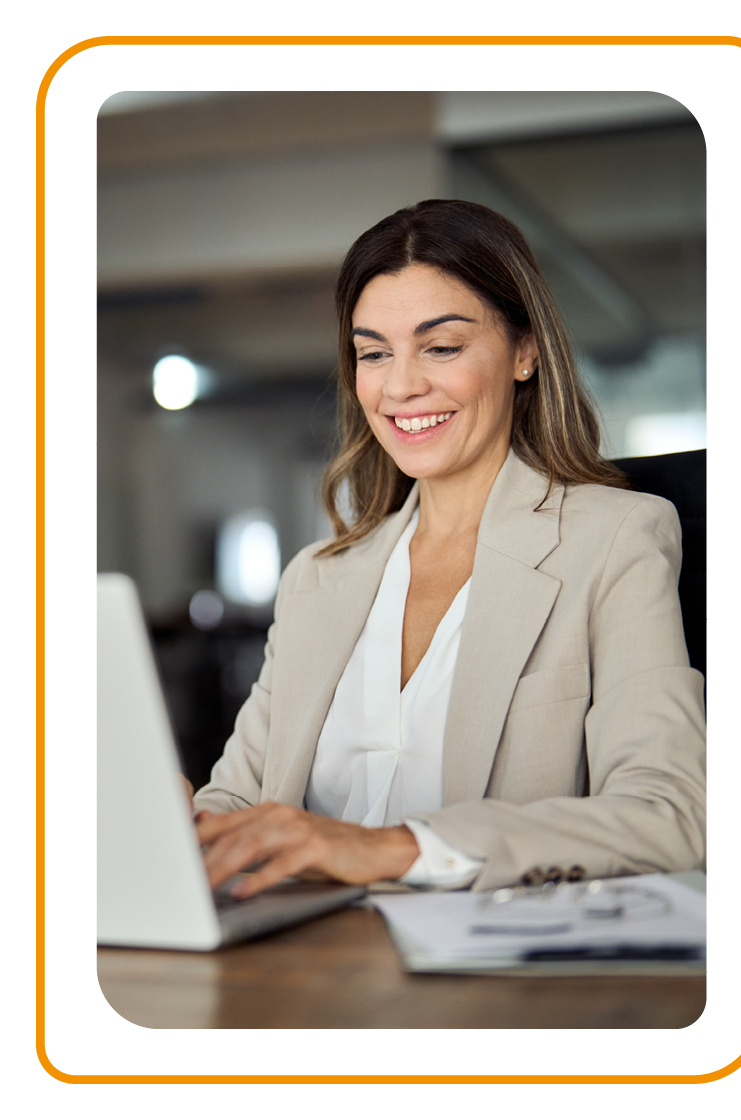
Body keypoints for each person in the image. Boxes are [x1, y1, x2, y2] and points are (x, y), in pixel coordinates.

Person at [191, 199, 706, 898]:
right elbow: (238, 808)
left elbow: (671, 815)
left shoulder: (612, 539)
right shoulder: (317, 578)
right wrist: (175, 825)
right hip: (305, 965)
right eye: (373, 353)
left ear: (524, 351)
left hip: (492, 982)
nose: (400, 385)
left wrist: (392, 849)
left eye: (441, 346)